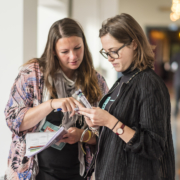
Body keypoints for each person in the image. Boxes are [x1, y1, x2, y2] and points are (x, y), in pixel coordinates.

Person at [4, 18, 109, 180]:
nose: (73, 56)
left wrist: (82, 135)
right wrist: (51, 104)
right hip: (33, 173)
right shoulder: (32, 75)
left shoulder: (96, 81)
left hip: (77, 173)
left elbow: (109, 135)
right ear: (53, 51)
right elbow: (14, 121)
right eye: (64, 52)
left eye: (77, 48)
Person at [76, 13, 175, 180]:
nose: (109, 58)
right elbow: (120, 131)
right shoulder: (123, 80)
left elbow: (154, 147)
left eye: (114, 51)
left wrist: (109, 121)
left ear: (134, 44)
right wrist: (97, 124)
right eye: (106, 52)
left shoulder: (149, 84)